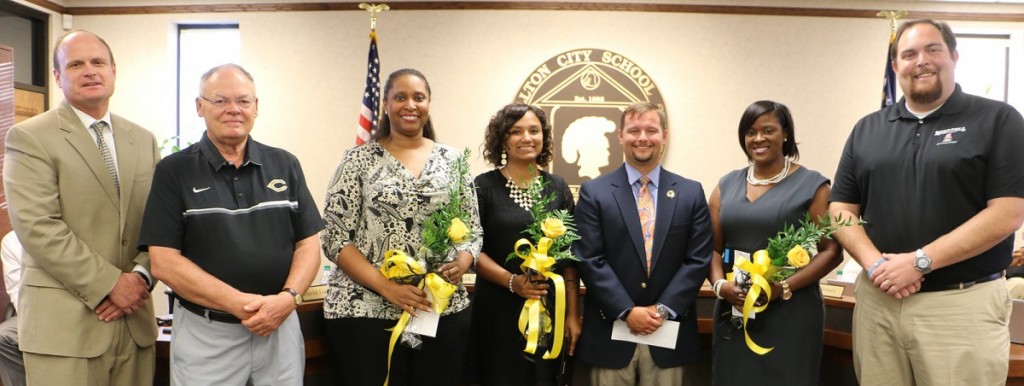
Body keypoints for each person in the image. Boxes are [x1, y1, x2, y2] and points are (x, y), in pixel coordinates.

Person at [830, 19, 1024, 386]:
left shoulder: (998, 120)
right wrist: (875, 266)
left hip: (961, 307)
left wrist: (921, 262)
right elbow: (841, 209)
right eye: (909, 54)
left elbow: (1008, 213)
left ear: (953, 55)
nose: (921, 61)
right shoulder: (867, 129)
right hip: (879, 304)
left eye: (933, 49)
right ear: (895, 66)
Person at [138, 63, 324, 385]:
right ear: (200, 107)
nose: (233, 110)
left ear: (256, 107)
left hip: (280, 326)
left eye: (243, 101)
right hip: (208, 334)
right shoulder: (173, 171)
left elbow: (308, 244)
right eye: (220, 101)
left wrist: (287, 299)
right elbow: (164, 262)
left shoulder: (285, 163)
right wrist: (244, 306)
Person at [3, 30, 158, 386]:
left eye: (98, 62)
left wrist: (140, 277)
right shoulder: (31, 137)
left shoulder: (143, 140)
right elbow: (38, 226)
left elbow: (161, 224)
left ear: (114, 71)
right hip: (64, 331)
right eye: (75, 64)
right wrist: (110, 284)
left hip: (134, 323)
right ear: (57, 77)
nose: (90, 71)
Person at [321, 68, 482, 385]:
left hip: (439, 308)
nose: (410, 104)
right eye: (400, 97)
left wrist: (463, 261)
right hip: (365, 310)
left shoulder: (452, 160)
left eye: (418, 97)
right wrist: (388, 288)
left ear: (428, 104)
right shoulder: (357, 160)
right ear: (384, 104)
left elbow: (472, 229)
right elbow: (336, 239)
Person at [573, 102, 712, 385]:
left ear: (665, 136)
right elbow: (589, 258)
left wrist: (661, 310)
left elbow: (697, 259)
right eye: (634, 130)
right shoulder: (594, 192)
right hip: (611, 330)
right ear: (621, 136)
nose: (642, 138)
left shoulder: (690, 192)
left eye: (651, 130)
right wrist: (627, 310)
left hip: (668, 329)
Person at [706, 101, 840, 385]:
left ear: (786, 134)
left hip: (791, 309)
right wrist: (720, 286)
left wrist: (781, 288)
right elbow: (712, 248)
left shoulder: (813, 186)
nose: (759, 139)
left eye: (768, 130)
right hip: (736, 306)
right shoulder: (726, 185)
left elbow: (831, 251)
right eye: (751, 132)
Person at [467, 103, 581, 386]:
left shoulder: (558, 187)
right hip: (496, 309)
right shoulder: (482, 186)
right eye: (515, 131)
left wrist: (572, 314)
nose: (526, 138)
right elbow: (469, 250)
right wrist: (512, 282)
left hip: (548, 309)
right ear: (502, 139)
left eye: (534, 130)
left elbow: (570, 260)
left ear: (544, 137)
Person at [0, 231, 26, 386]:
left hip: (84, 310)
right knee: (2, 337)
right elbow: (17, 294)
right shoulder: (12, 240)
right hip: (34, 315)